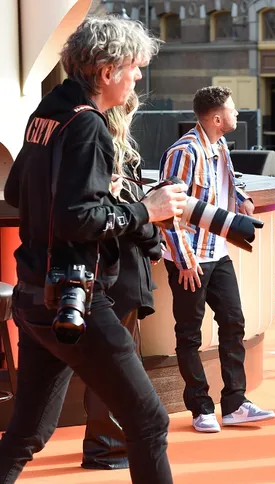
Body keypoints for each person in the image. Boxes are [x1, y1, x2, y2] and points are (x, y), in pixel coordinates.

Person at [0, 17, 185, 484]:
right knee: (148, 420)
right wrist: (145, 210)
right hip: (75, 295)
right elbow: (78, 219)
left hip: (35, 295)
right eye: (134, 67)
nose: (138, 77)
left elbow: (18, 191)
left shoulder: (48, 113)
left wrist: (100, 193)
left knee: (27, 432)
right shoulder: (88, 126)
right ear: (106, 72)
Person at [159, 86, 275, 433]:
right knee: (190, 335)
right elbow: (168, 210)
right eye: (232, 109)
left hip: (217, 251)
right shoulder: (183, 152)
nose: (237, 113)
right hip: (189, 258)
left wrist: (241, 198)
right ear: (216, 118)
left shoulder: (220, 145)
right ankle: (200, 408)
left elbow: (226, 180)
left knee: (233, 322)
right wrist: (184, 259)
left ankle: (235, 403)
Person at [81, 91, 165, 470]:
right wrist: (152, 233)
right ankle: (106, 446)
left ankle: (107, 443)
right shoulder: (113, 162)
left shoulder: (113, 161)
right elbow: (137, 222)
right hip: (118, 275)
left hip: (117, 273)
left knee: (112, 364)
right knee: (114, 366)